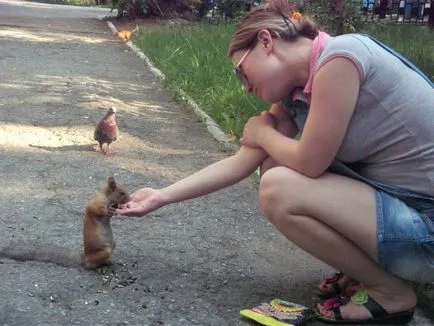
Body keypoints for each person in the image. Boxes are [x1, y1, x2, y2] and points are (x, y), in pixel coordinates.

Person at [114, 0, 434, 324]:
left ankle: (390, 292)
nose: (244, 85)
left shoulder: (340, 58)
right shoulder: (297, 91)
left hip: (427, 233)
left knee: (279, 186)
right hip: (407, 219)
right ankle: (365, 272)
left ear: (266, 41)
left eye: (241, 70)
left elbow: (309, 163)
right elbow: (242, 163)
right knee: (273, 171)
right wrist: (162, 195)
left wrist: (264, 134)